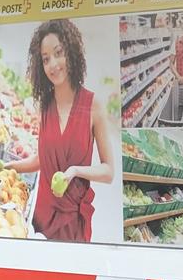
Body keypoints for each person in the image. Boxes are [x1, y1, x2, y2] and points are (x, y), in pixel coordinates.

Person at [6, 19, 115, 241]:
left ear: (71, 53)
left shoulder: (93, 106)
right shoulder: (45, 106)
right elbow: (43, 158)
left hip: (73, 221)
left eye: (58, 53)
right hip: (41, 217)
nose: (53, 64)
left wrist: (75, 171)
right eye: (46, 59)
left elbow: (108, 171)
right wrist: (10, 167)